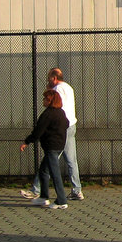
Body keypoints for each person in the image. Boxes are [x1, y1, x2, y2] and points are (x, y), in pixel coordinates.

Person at [21, 68, 84, 200]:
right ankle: (76, 189)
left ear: (54, 78)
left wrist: (49, 89)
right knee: (71, 160)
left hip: (60, 127)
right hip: (71, 124)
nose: (48, 80)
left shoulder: (56, 90)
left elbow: (54, 105)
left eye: (49, 78)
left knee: (50, 159)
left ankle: (37, 189)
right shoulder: (69, 88)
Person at [21, 90, 70, 209]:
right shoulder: (61, 113)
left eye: (45, 99)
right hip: (59, 146)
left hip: (51, 147)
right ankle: (43, 197)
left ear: (50, 101)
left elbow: (38, 131)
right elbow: (67, 124)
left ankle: (61, 201)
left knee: (55, 173)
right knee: (43, 171)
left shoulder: (48, 114)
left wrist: (27, 142)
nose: (43, 101)